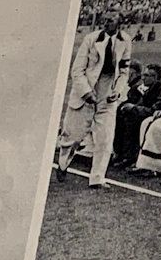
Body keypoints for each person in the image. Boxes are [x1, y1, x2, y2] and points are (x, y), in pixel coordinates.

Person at [55, 16, 131, 185]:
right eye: (104, 20)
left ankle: (97, 179)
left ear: (119, 24)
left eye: (109, 21)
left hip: (108, 91)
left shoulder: (125, 41)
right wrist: (87, 93)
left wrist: (117, 91)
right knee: (73, 137)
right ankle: (63, 164)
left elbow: (124, 72)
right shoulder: (91, 39)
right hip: (87, 88)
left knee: (104, 139)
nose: (105, 23)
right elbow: (77, 70)